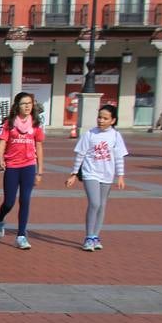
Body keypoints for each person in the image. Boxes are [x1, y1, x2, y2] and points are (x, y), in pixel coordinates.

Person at [66, 103, 128, 251]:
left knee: (102, 205)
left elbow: (119, 157)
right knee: (94, 203)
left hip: (107, 174)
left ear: (113, 120)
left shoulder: (116, 136)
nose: (101, 120)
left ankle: (95, 236)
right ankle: (88, 237)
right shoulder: (90, 134)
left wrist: (120, 175)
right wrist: (74, 174)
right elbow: (80, 154)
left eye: (105, 118)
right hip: (90, 172)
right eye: (99, 117)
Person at [0, 92, 45, 250]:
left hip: (29, 166)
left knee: (25, 200)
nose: (28, 106)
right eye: (24, 103)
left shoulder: (35, 123)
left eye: (30, 103)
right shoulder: (9, 123)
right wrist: (0, 159)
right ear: (17, 106)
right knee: (9, 202)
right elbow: (2, 143)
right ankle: (0, 218)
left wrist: (40, 171)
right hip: (12, 167)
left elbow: (39, 147)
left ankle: (21, 235)